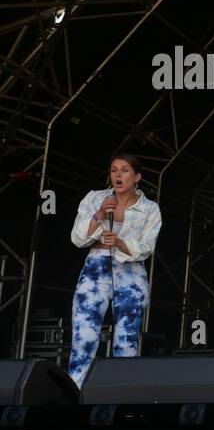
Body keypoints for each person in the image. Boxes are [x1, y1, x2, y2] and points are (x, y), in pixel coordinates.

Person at [67, 153, 163, 387]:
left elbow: (147, 247)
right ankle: (75, 390)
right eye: (113, 170)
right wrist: (99, 214)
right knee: (84, 333)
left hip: (130, 271)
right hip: (96, 266)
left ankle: (120, 390)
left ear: (136, 176)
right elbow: (77, 238)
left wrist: (119, 242)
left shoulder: (150, 209)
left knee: (127, 335)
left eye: (124, 170)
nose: (118, 175)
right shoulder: (94, 198)